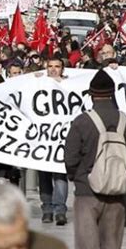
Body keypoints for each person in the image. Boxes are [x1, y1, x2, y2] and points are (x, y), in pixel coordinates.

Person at [64, 69, 126, 249]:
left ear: (91, 94)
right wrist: (115, 173)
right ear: (112, 93)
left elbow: (69, 158)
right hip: (116, 194)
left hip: (86, 192)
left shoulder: (81, 122)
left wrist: (78, 177)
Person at [37, 57, 69, 225]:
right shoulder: (38, 83)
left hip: (62, 139)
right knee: (44, 176)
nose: (54, 69)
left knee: (60, 175)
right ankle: (47, 209)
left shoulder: (70, 85)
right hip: (43, 138)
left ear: (62, 69)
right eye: (50, 66)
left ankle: (60, 210)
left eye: (57, 66)